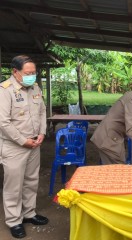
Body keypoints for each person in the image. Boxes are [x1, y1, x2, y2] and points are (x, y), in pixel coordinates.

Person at [0, 55, 48, 239]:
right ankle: (14, 220)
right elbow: (3, 123)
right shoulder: (5, 90)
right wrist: (23, 140)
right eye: (28, 73)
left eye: (34, 72)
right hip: (15, 146)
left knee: (31, 180)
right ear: (15, 72)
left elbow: (42, 110)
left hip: (35, 143)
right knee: (13, 186)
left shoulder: (35, 87)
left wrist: (42, 132)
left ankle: (29, 213)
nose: (32, 76)